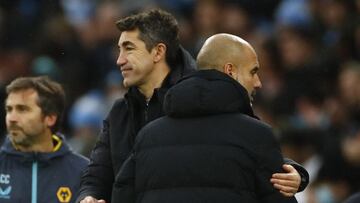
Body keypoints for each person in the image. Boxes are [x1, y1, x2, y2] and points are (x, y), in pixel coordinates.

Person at [77, 10, 308, 203]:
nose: (119, 60)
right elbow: (98, 173)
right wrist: (88, 197)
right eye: (119, 50)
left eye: (128, 48)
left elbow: (240, 141)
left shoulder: (199, 97)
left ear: (158, 51)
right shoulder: (120, 113)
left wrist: (293, 171)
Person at [0, 76, 89, 203]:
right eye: (9, 109)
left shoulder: (84, 172)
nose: (12, 118)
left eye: (22, 109)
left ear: (50, 118)